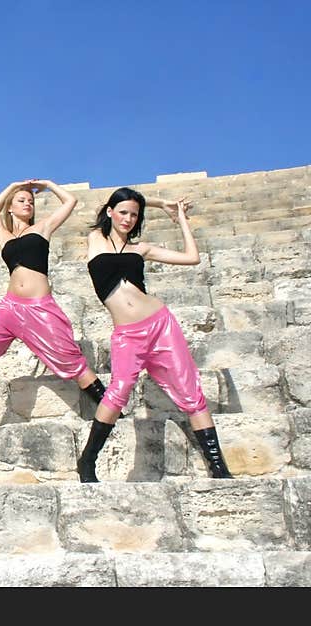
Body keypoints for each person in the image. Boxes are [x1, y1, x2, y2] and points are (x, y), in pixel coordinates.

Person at [77, 187, 233, 482]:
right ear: (110, 212)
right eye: (123, 212)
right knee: (119, 389)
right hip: (128, 334)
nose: (128, 219)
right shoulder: (96, 239)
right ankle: (87, 461)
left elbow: (192, 257)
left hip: (161, 325)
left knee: (190, 392)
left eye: (134, 215)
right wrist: (161, 202)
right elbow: (111, 208)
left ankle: (219, 468)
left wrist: (181, 217)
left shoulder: (141, 249)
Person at [0, 179, 111, 425]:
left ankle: (111, 407)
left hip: (40, 306)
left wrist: (47, 184)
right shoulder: (5, 237)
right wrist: (13, 186)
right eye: (21, 200)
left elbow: (70, 201)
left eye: (31, 201)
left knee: (71, 361)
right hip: (10, 306)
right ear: (10, 207)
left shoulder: (43, 227)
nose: (27, 204)